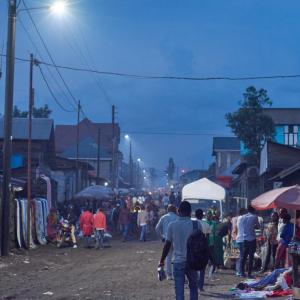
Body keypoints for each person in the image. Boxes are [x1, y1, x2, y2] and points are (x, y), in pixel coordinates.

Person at [159, 201, 200, 300]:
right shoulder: (196, 225)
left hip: (178, 262)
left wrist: (162, 260)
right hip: (192, 262)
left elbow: (167, 245)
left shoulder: (172, 225)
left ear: (178, 211)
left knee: (179, 292)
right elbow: (202, 244)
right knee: (194, 288)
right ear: (190, 212)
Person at [155, 205, 178, 279]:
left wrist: (162, 236)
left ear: (168, 210)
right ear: (175, 210)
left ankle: (169, 275)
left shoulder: (163, 217)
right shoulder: (177, 218)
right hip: (175, 239)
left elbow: (157, 228)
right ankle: (175, 274)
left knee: (168, 256)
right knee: (175, 257)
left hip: (166, 239)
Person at [240, 205, 260, 278]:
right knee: (251, 257)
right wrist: (253, 226)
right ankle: (249, 274)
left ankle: (242, 272)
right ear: (253, 210)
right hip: (252, 238)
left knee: (244, 256)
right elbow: (258, 226)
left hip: (245, 238)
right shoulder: (254, 217)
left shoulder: (243, 217)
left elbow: (243, 226)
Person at [195, 209, 211, 292]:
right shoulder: (206, 224)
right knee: (202, 268)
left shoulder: (192, 224)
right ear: (202, 215)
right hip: (203, 248)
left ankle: (194, 284)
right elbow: (207, 239)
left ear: (195, 215)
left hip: (194, 248)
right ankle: (200, 286)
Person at [235, 208, 247, 276]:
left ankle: (239, 271)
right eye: (245, 212)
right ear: (242, 212)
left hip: (240, 238)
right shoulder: (242, 217)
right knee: (242, 256)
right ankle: (240, 272)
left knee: (242, 256)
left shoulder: (239, 218)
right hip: (242, 239)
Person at [206, 210, 217, 279]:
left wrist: (215, 242)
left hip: (212, 243)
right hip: (205, 243)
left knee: (213, 259)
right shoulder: (204, 222)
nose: (209, 216)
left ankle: (211, 274)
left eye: (210, 214)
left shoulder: (214, 223)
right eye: (208, 214)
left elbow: (214, 233)